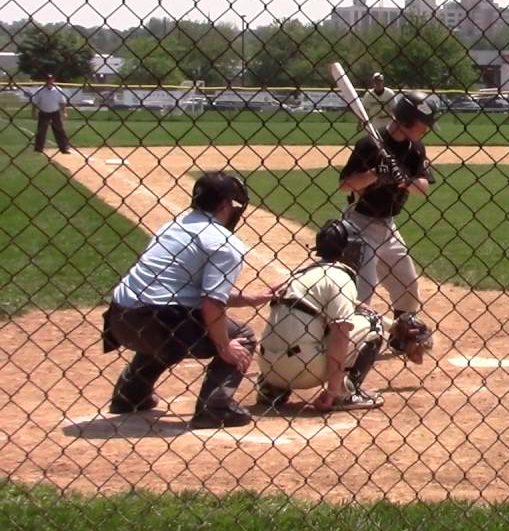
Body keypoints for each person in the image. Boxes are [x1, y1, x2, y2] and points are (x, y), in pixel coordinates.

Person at [102, 172, 271, 428]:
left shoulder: (171, 227)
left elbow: (184, 292)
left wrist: (250, 298)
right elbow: (211, 303)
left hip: (119, 320)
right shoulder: (224, 243)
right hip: (163, 327)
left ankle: (130, 394)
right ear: (226, 204)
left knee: (172, 319)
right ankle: (215, 407)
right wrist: (224, 345)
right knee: (242, 335)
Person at [338, 91, 437, 363]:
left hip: (388, 226)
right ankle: (350, 346)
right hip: (359, 224)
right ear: (407, 119)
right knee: (363, 292)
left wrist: (403, 179)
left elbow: (423, 187)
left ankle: (400, 336)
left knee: (408, 285)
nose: (427, 129)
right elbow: (346, 184)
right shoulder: (370, 144)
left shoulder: (415, 148)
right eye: (423, 123)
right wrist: (376, 175)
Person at [256, 219, 386, 411]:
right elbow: (340, 336)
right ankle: (344, 393)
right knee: (372, 323)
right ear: (348, 250)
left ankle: (273, 389)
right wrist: (332, 389)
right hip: (304, 370)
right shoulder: (340, 277)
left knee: (304, 319)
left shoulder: (302, 273)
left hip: (268, 366)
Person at [30, 74, 71, 154]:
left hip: (55, 112)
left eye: (51, 79)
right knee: (41, 131)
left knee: (60, 130)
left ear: (53, 80)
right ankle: (39, 148)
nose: (49, 81)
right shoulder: (40, 90)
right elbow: (35, 103)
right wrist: (34, 113)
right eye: (48, 79)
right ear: (45, 80)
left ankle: (64, 148)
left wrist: (65, 112)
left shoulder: (58, 90)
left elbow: (62, 103)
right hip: (43, 113)